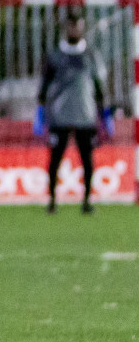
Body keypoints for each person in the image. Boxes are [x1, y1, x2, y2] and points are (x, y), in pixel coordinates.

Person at [37, 12, 113, 214]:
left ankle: (87, 201)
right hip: (59, 117)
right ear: (66, 28)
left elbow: (99, 89)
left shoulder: (90, 55)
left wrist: (104, 116)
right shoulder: (54, 56)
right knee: (55, 160)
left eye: (78, 26)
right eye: (71, 26)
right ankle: (52, 201)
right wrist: (40, 115)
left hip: (85, 117)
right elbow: (43, 88)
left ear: (82, 28)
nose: (75, 30)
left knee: (87, 160)